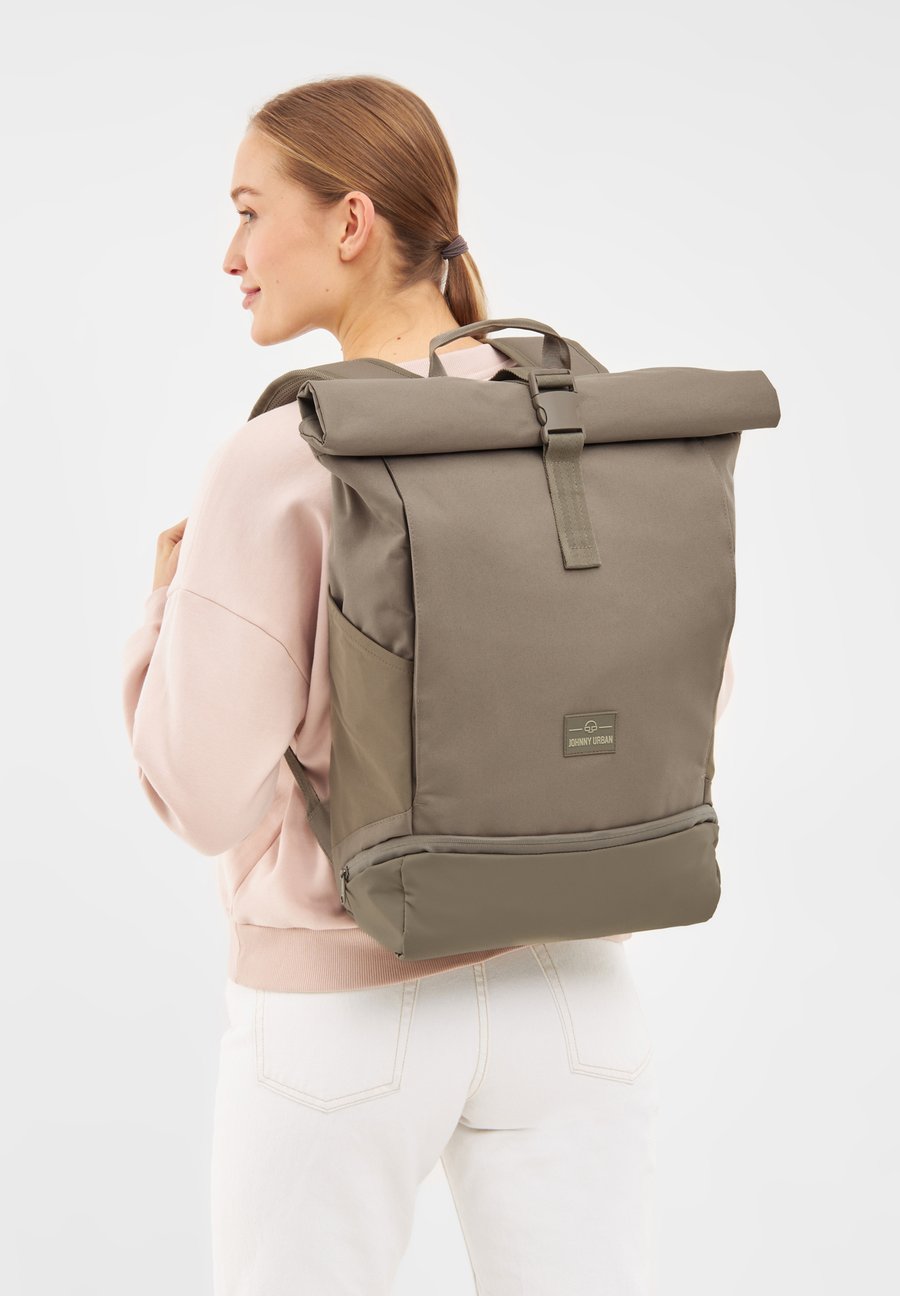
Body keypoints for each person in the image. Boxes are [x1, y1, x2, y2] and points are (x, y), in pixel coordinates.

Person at [122, 74, 734, 1295]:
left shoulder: (279, 459)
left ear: (350, 221)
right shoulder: (591, 432)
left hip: (346, 1017)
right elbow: (670, 706)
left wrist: (165, 609)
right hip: (577, 998)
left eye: (250, 212)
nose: (231, 254)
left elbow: (201, 797)